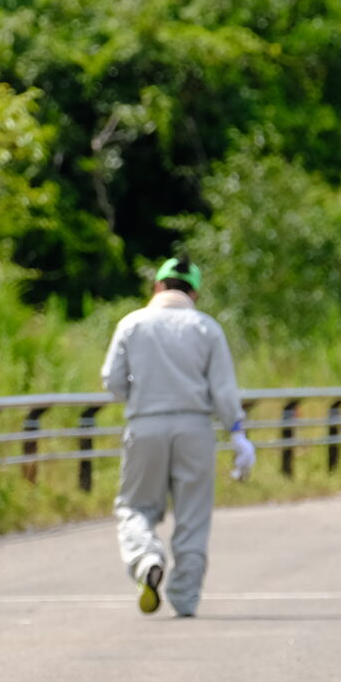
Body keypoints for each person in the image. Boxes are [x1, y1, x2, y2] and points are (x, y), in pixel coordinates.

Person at [99, 258, 255, 618]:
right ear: (194, 291)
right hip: (195, 429)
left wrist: (140, 397)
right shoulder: (206, 328)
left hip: (145, 425)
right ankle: (184, 597)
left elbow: (112, 380)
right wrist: (237, 433)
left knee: (135, 507)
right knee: (193, 515)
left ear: (157, 286)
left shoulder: (131, 324)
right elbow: (224, 390)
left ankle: (146, 559)